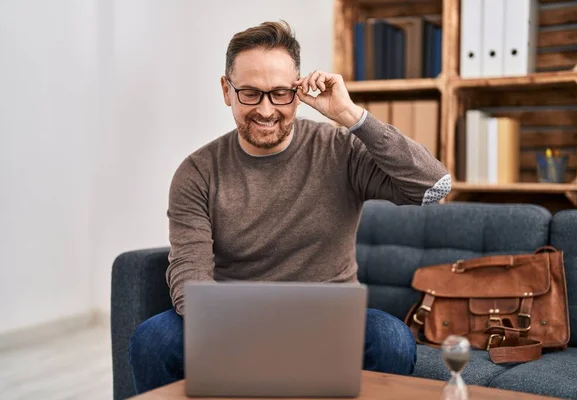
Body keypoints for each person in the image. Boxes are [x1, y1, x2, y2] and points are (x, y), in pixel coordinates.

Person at [128, 20, 451, 395]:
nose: (266, 110)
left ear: (299, 91)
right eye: (250, 93)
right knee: (153, 339)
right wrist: (233, 334)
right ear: (226, 90)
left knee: (390, 338)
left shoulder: (339, 150)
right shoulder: (198, 172)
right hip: (230, 324)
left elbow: (434, 187)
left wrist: (352, 117)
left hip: (329, 323)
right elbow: (190, 270)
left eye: (280, 93)